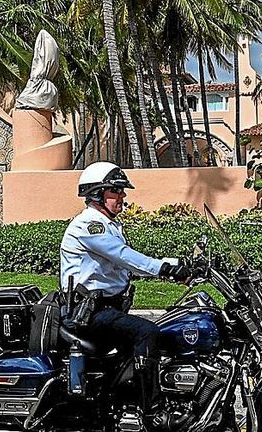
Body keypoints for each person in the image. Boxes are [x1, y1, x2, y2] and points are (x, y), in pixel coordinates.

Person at [60, 161, 191, 411]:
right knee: (146, 332)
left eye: (122, 191)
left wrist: (181, 264)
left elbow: (129, 259)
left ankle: (124, 401)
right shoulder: (89, 225)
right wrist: (166, 270)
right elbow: (125, 256)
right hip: (89, 315)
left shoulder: (108, 224)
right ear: (97, 193)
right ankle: (152, 409)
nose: (122, 196)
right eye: (116, 190)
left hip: (107, 311)